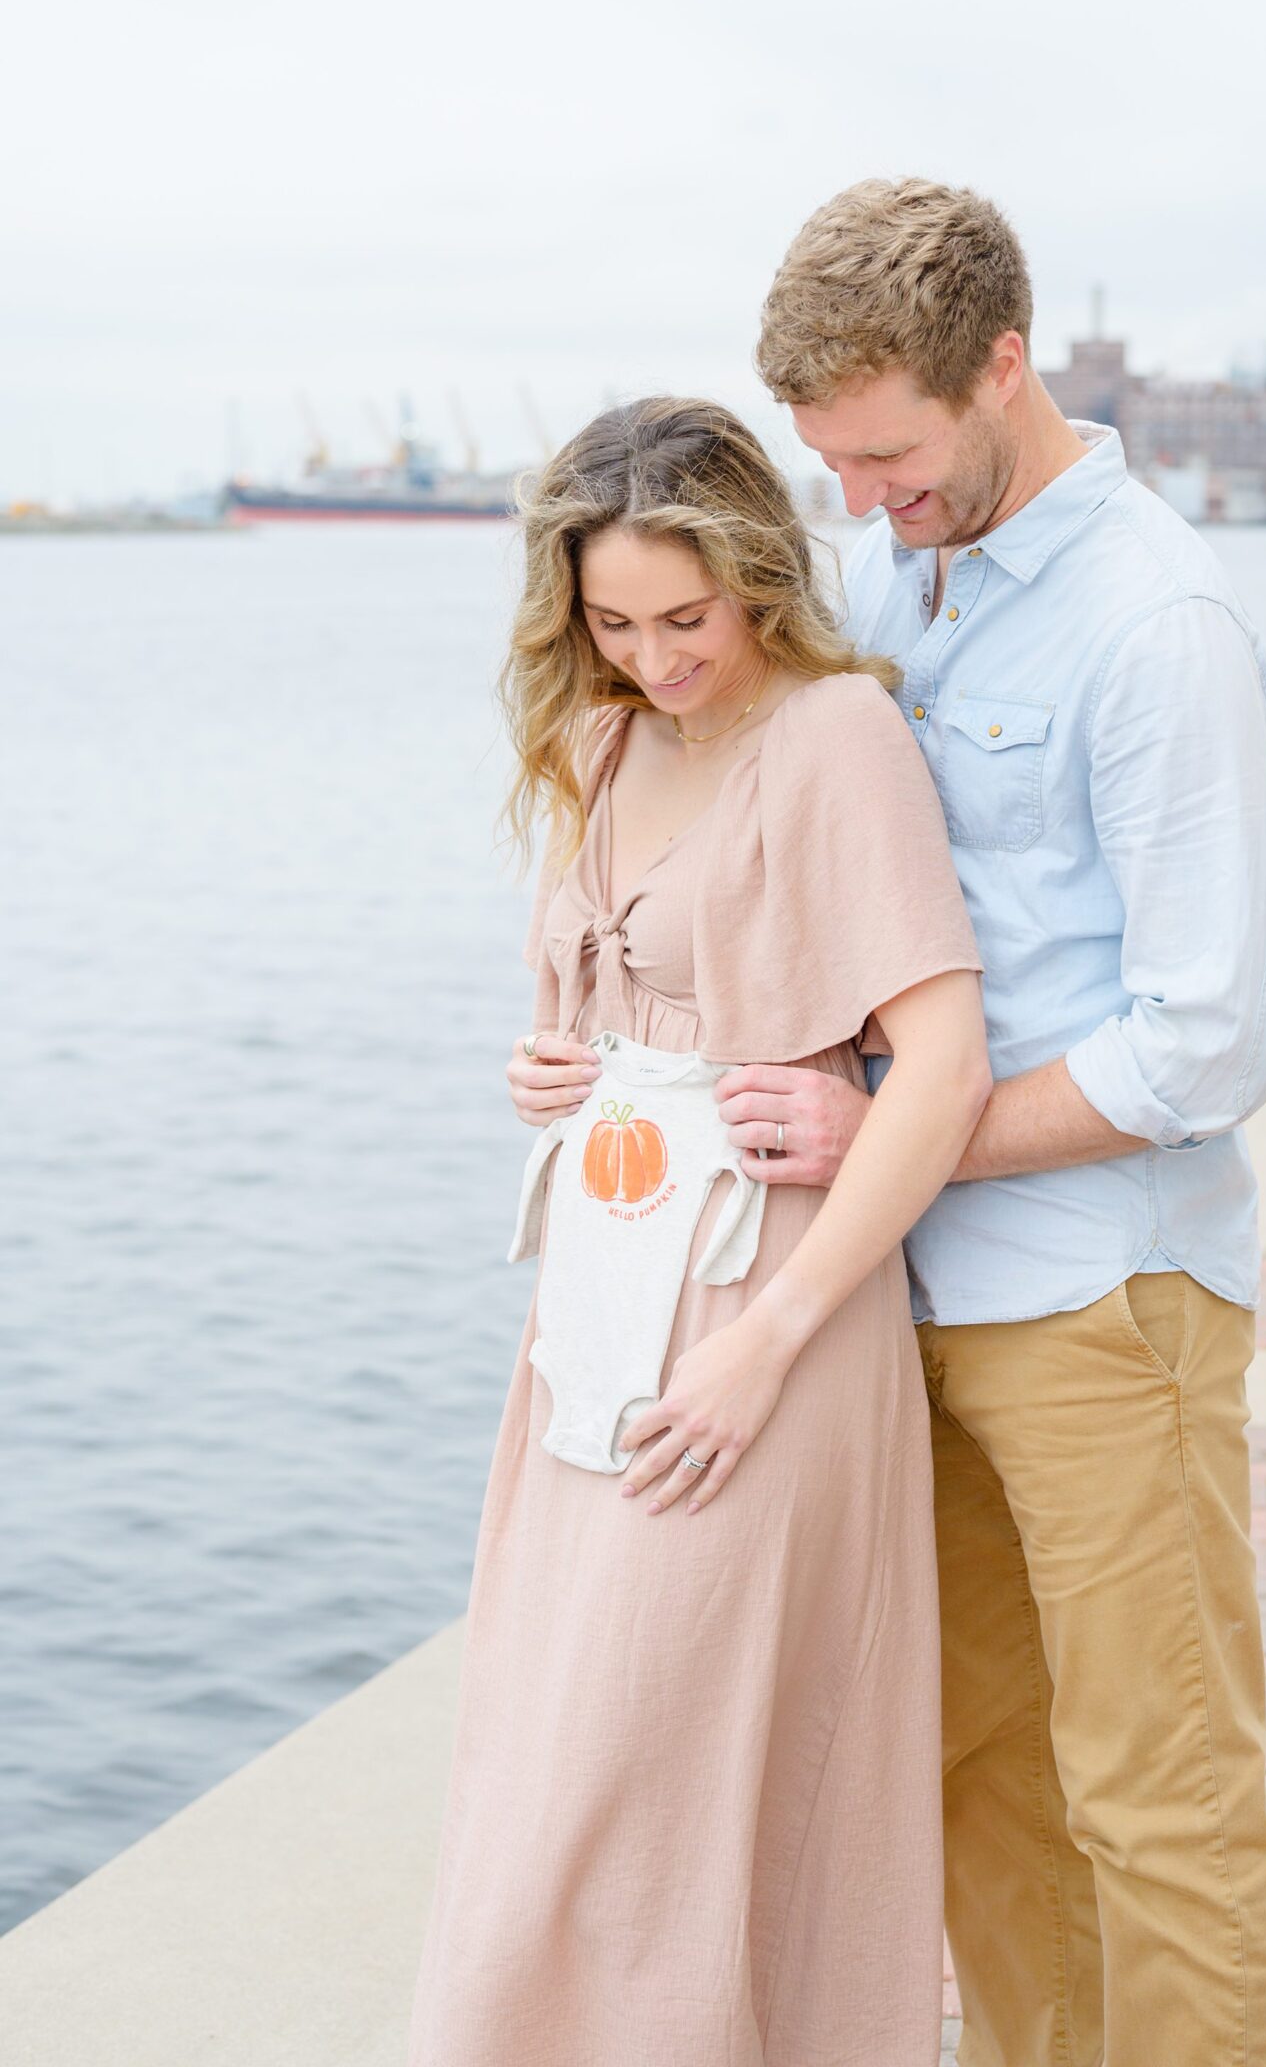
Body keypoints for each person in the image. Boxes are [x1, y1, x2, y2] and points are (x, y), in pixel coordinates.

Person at [725, 178, 1266, 2067]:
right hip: (915, 1299)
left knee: (1162, 1805)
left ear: (1003, 366)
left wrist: (902, 1137)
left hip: (1100, 1306)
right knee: (977, 1776)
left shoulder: (1160, 627)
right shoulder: (898, 570)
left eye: (891, 455)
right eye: (835, 465)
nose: (865, 503)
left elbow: (1208, 1045)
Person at [405, 396, 989, 2067]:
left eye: (689, 616)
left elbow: (939, 1069)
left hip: (765, 1318)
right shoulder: (597, 741)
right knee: (545, 1761)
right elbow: (602, 996)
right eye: (611, 622)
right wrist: (548, 1065)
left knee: (645, 1783)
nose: (658, 658)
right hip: (599, 1300)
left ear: (758, 576)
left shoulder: (832, 737)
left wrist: (767, 1341)